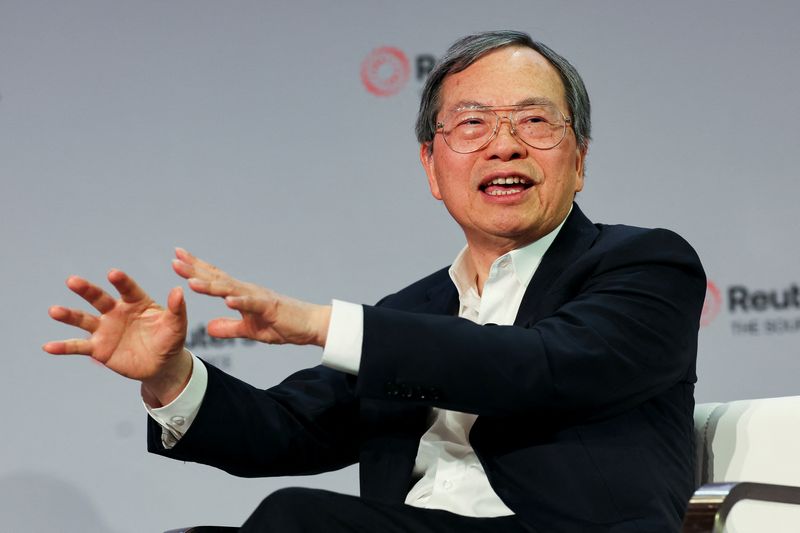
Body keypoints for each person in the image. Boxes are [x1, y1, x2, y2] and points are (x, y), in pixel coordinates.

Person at [44, 31, 706, 532]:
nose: (505, 145)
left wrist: (319, 322)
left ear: (580, 158)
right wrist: (170, 375)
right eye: (473, 124)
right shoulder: (416, 308)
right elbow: (289, 426)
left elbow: (540, 365)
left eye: (535, 122)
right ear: (430, 165)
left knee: (296, 521)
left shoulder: (645, 266)